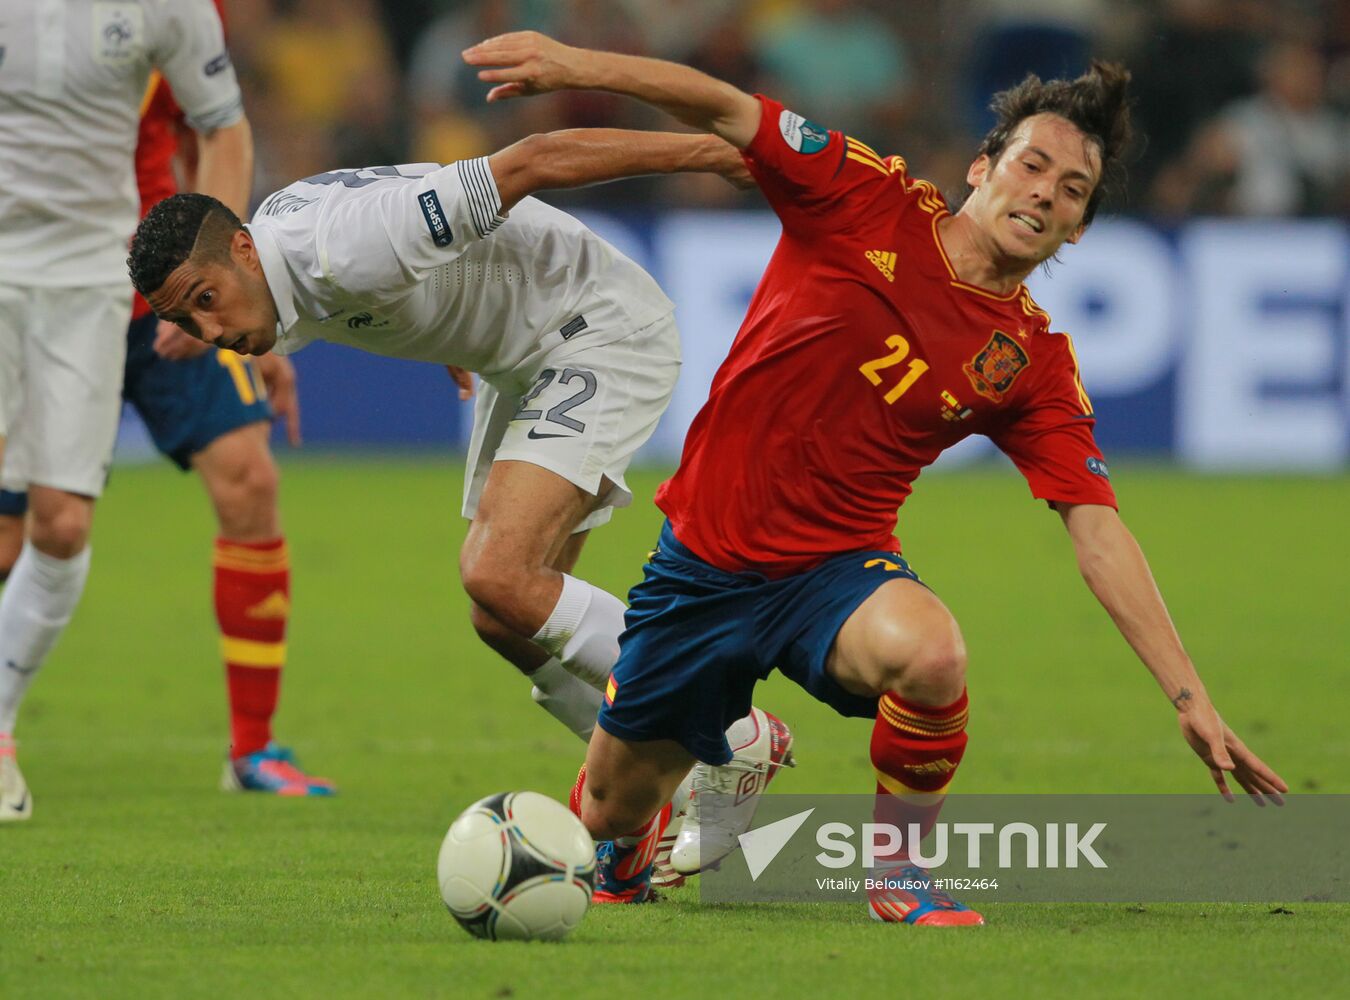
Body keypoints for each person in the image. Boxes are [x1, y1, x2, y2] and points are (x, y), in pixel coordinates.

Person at [459, 32, 1290, 923]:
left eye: (1072, 190)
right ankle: (648, 829)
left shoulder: (1033, 361)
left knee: (932, 654)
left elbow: (1096, 527)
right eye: (1032, 165)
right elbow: (725, 108)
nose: (1045, 190)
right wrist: (576, 63)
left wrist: (1190, 698)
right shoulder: (864, 194)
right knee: (606, 823)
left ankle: (898, 873)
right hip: (702, 569)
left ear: (1078, 228)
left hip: (835, 574)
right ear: (983, 168)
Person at [124, 129, 795, 887]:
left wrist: (709, 154)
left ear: (244, 250)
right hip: (518, 356)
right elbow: (415, 187)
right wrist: (439, 306)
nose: (210, 334)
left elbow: (533, 160)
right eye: (186, 322)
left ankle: (732, 734)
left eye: (206, 303)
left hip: (595, 328)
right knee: (501, 615)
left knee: (498, 573)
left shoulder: (350, 245)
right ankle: (637, 803)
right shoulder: (280, 260)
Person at [0, 18, 331, 797]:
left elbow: (211, 136)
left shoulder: (175, 12)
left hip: (162, 294)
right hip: (36, 287)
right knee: (23, 532)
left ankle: (253, 749)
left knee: (250, 478)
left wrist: (236, 307)